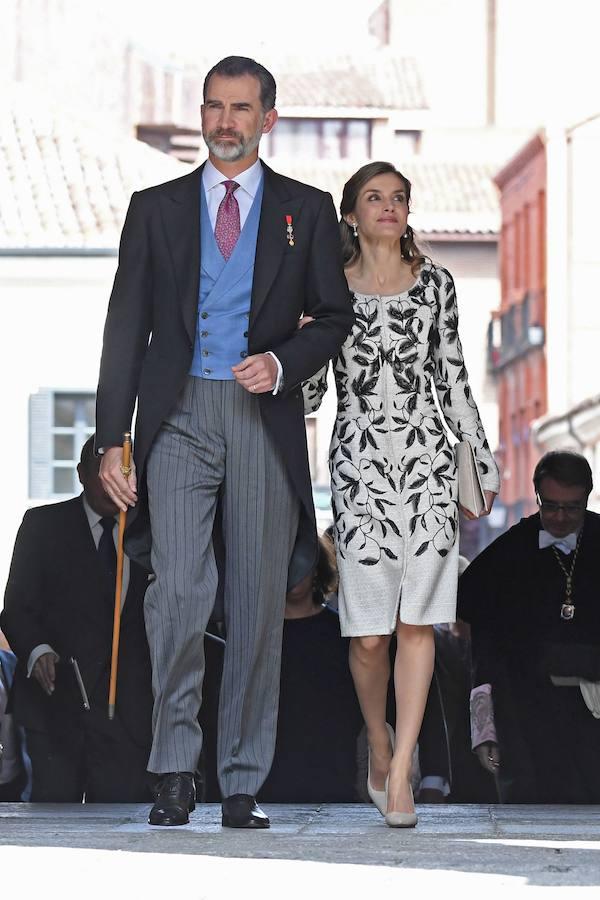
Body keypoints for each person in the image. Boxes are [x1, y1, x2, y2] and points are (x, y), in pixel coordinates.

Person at [95, 56, 354, 829]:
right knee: (178, 591)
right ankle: (175, 767)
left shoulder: (305, 212)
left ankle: (241, 778)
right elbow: (124, 327)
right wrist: (113, 437)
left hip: (260, 416)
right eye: (214, 107)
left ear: (267, 118)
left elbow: (335, 318)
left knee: (254, 604)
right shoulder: (156, 208)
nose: (225, 122)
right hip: (176, 415)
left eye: (241, 109)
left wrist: (282, 363)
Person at [303, 161, 499, 826]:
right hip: (358, 474)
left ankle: (403, 773)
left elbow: (456, 382)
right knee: (367, 638)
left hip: (427, 474)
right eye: (374, 198)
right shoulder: (329, 288)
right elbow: (308, 394)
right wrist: (302, 330)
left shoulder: (436, 286)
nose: (389, 207)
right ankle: (380, 742)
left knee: (418, 624)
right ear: (352, 213)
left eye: (398, 198)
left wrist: (482, 463)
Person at [0, 437, 153, 802]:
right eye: (103, 472)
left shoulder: (156, 531)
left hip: (130, 714)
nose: (111, 482)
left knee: (123, 824)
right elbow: (17, 607)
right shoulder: (42, 525)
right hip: (55, 709)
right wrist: (37, 651)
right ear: (83, 474)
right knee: (53, 819)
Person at [458, 450, 600, 803]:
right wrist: (484, 728)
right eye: (550, 506)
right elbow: (484, 644)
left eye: (572, 507)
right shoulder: (509, 552)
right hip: (526, 721)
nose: (561, 517)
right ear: (537, 496)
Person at [260, 536, 363, 803]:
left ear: (317, 569)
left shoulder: (344, 635)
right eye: (286, 562)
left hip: (335, 778)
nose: (294, 571)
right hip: (266, 784)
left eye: (302, 562)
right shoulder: (256, 639)